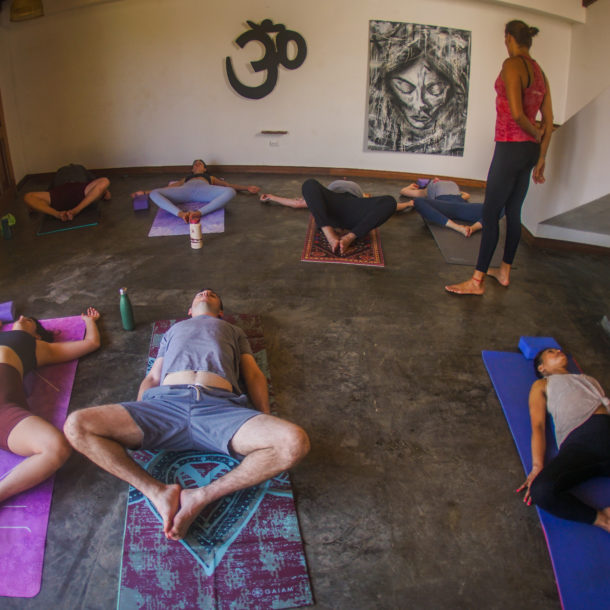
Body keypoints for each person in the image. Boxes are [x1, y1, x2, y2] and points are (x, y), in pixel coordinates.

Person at [64, 289, 310, 541]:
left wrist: (263, 417)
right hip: (164, 406)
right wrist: (140, 412)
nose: (205, 293)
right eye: (200, 294)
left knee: (294, 442)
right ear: (189, 311)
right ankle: (158, 492)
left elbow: (254, 374)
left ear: (221, 312)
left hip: (219, 409)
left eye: (213, 294)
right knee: (76, 425)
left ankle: (201, 496)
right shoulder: (172, 331)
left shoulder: (234, 331)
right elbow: (152, 376)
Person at [446, 20, 553, 295]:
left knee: (490, 213)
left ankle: (476, 281)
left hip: (510, 147)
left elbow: (518, 114)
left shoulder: (512, 65)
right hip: (528, 153)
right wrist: (541, 156)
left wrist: (534, 133)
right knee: (514, 212)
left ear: (508, 38)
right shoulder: (540, 72)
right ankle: (504, 272)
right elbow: (549, 121)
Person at [0, 308, 101, 505]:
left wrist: (89, 321)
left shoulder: (38, 347)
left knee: (56, 447)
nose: (21, 318)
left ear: (37, 334)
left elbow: (92, 343)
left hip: (3, 410)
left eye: (28, 320)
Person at [516, 348, 610, 533]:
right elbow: (538, 426)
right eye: (551, 352)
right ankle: (603, 519)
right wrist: (537, 466)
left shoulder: (588, 379)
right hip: (582, 444)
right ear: (542, 367)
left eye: (558, 350)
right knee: (541, 491)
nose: (559, 351)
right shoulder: (542, 385)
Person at [131, 159, 260, 223]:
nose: (197, 165)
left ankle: (199, 213)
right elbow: (169, 188)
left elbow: (227, 185)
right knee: (155, 193)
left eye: (200, 163)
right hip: (185, 191)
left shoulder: (210, 177)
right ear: (192, 170)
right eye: (195, 164)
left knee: (231, 191)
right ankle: (180, 214)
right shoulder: (185, 178)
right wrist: (145, 192)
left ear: (204, 169)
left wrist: (247, 188)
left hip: (205, 191)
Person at [301, 178, 401, 255]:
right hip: (332, 207)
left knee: (390, 201)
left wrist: (409, 203)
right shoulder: (321, 199)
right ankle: (330, 235)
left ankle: (350, 237)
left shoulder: (362, 199)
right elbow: (300, 201)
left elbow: (391, 205)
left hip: (355, 207)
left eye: (345, 180)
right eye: (343, 180)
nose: (345, 180)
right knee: (309, 183)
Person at [400, 178, 490, 238]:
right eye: (434, 179)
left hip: (461, 206)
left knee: (497, 209)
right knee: (418, 201)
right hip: (444, 205)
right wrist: (410, 187)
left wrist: (459, 192)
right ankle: (457, 227)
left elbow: (467, 195)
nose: (436, 178)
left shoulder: (452, 186)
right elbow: (403, 191)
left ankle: (472, 229)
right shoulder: (426, 190)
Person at [24, 178, 111, 222]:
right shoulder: (59, 173)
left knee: (105, 180)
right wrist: (33, 205)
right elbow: (31, 201)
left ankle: (75, 210)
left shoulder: (82, 169)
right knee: (27, 196)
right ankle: (57, 214)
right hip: (57, 194)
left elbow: (103, 189)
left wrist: (104, 191)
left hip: (82, 191)